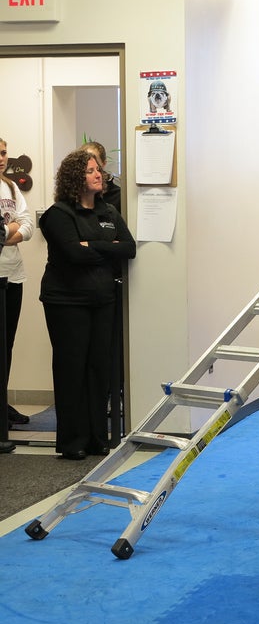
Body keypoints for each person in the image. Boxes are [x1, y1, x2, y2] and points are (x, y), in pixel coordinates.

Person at [40, 149, 136, 460]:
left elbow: (130, 249)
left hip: (102, 299)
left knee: (99, 369)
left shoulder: (107, 211)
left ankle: (97, 438)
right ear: (75, 178)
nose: (99, 175)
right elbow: (73, 255)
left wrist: (92, 245)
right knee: (72, 369)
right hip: (66, 302)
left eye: (98, 170)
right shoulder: (58, 214)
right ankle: (72, 442)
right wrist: (108, 248)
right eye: (91, 170)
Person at [0, 136, 36, 429]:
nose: (1, 158)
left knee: (7, 343)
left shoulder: (10, 186)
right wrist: (10, 229)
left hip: (14, 273)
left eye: (3, 153)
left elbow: (28, 224)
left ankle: (2, 403)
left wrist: (8, 233)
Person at [81, 140, 121, 214]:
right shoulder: (74, 194)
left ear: (103, 163)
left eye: (96, 166)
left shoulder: (117, 196)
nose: (90, 164)